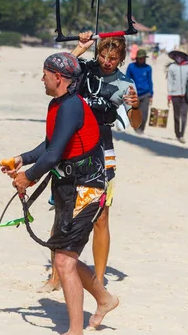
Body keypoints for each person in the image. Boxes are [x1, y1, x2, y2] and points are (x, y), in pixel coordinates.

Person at [2, 52, 119, 334]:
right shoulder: (58, 105)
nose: (41, 78)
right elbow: (49, 146)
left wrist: (28, 178)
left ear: (58, 77)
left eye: (44, 73)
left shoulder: (71, 107)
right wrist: (22, 159)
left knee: (64, 260)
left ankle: (75, 330)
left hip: (87, 189)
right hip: (68, 186)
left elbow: (53, 155)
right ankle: (104, 298)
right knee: (63, 255)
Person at [38, 32, 142, 293]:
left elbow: (137, 124)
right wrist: (80, 48)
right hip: (71, 145)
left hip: (102, 150)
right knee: (63, 210)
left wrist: (137, 106)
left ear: (120, 59)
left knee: (102, 216)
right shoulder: (83, 70)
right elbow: (56, 73)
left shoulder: (125, 84)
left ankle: (98, 278)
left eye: (113, 58)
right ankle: (55, 277)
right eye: (104, 56)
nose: (107, 61)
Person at [167, 50, 188, 144]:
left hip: (186, 95)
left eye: (180, 56)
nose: (178, 57)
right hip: (175, 95)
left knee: (184, 115)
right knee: (176, 115)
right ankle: (177, 133)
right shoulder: (172, 67)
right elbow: (169, 82)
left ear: (183, 56)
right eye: (177, 56)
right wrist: (169, 95)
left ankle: (182, 134)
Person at [126, 49, 153, 134]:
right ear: (137, 58)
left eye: (143, 58)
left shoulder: (148, 68)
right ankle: (136, 128)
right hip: (134, 94)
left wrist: (151, 94)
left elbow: (150, 81)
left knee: (144, 114)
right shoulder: (131, 67)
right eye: (140, 58)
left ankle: (141, 129)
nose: (141, 60)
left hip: (146, 93)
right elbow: (127, 79)